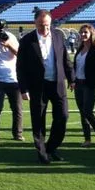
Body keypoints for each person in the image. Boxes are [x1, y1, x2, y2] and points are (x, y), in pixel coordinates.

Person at [16, 10, 74, 165]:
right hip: (37, 86)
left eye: (47, 25)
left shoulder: (58, 36)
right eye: (42, 26)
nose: (45, 29)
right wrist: (23, 89)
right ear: (35, 23)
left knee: (63, 116)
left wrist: (71, 78)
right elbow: (20, 67)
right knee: (38, 121)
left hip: (57, 84)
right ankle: (42, 153)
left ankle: (51, 147)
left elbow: (65, 59)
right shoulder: (27, 40)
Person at [73, 24, 95, 147]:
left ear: (91, 33)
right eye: (81, 32)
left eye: (85, 32)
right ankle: (87, 139)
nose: (83, 35)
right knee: (82, 112)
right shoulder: (79, 49)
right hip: (78, 84)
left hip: (90, 84)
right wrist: (72, 81)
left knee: (87, 111)